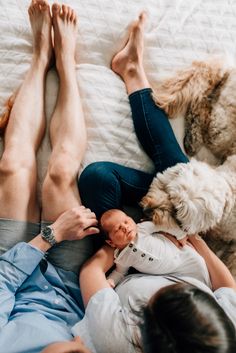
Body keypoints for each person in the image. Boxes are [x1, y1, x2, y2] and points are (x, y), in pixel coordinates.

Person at [75, 12, 236, 353]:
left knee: (97, 177)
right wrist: (194, 241)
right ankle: (133, 72)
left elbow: (91, 274)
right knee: (181, 182)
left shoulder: (117, 340)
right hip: (183, 242)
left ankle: (132, 71)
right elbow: (228, 290)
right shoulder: (223, 336)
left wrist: (116, 243)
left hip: (127, 254)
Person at [0, 1, 98, 353]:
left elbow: (2, 282)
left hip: (10, 268)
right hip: (69, 285)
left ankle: (41, 56)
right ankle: (67, 64)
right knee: (58, 175)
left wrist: (51, 235)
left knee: (12, 165)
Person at [100, 208, 210, 287]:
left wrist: (180, 235)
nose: (125, 227)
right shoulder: (122, 258)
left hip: (181, 255)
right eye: (117, 229)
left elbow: (164, 225)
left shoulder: (142, 229)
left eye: (126, 221)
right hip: (169, 274)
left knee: (200, 266)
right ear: (111, 243)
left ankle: (210, 288)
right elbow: (120, 273)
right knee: (190, 286)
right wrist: (111, 281)